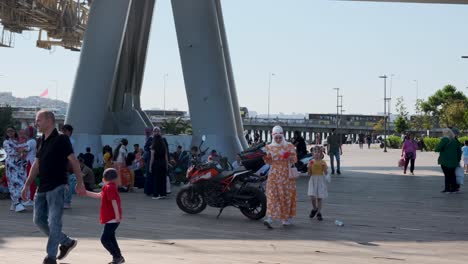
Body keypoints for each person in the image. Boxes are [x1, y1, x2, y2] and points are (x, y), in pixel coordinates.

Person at [21, 110, 85, 264]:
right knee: (38, 220)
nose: (36, 123)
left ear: (49, 120)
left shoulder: (62, 139)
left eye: (38, 120)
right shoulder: (41, 140)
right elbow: (37, 164)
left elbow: (74, 160)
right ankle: (66, 241)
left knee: (54, 222)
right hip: (42, 186)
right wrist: (26, 184)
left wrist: (80, 182)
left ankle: (50, 257)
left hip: (57, 186)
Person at [85, 168, 125, 264]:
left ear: (103, 179)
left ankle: (117, 257)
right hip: (112, 218)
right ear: (115, 179)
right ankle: (118, 257)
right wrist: (85, 192)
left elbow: (114, 202)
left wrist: (117, 216)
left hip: (112, 218)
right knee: (111, 238)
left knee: (104, 239)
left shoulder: (109, 187)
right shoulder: (108, 187)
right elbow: (99, 195)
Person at [262, 126, 297, 228]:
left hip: (286, 174)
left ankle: (285, 219)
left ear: (283, 136)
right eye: (276, 137)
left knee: (286, 196)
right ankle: (270, 218)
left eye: (280, 137)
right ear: (273, 137)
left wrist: (289, 156)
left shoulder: (289, 146)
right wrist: (266, 158)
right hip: (274, 174)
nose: (278, 140)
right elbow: (269, 162)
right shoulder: (269, 147)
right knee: (272, 195)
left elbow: (294, 159)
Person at [3, 126, 28, 212]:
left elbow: (27, 149)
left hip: (20, 165)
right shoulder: (6, 142)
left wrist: (22, 150)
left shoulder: (19, 141)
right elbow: (10, 152)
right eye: (8, 132)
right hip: (11, 165)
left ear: (15, 132)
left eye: (12, 131)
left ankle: (16, 202)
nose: (10, 133)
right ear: (6, 133)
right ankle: (17, 203)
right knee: (14, 183)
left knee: (21, 182)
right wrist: (20, 150)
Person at [435, 128, 462, 193]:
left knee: (447, 175)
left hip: (445, 161)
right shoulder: (455, 141)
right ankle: (454, 188)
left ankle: (447, 189)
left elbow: (437, 149)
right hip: (454, 161)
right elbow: (459, 151)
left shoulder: (444, 140)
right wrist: (458, 159)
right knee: (452, 175)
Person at [307, 146, 328, 221]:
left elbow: (326, 173)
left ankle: (319, 213)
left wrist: (324, 167)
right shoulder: (311, 162)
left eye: (318, 152)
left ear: (321, 154)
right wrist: (309, 167)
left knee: (319, 197)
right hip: (313, 179)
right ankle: (314, 208)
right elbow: (309, 174)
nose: (317, 154)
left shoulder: (323, 162)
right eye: (315, 152)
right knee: (312, 197)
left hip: (320, 179)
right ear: (312, 153)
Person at [149, 134, 168, 199]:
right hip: (163, 164)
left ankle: (156, 194)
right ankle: (163, 194)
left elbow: (152, 158)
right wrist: (167, 165)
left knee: (156, 180)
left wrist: (150, 167)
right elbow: (166, 157)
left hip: (156, 164)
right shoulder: (164, 147)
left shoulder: (153, 147)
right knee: (163, 179)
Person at [25, 126, 37, 204]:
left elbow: (26, 150)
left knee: (31, 181)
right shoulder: (32, 141)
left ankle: (31, 199)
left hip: (30, 162)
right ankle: (31, 198)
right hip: (31, 161)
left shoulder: (31, 141)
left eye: (27, 132)